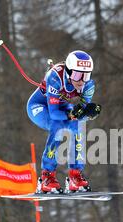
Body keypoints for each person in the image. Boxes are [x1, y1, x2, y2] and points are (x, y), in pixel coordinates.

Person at [26, 50, 101, 193]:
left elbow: (78, 114)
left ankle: (75, 176)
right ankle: (46, 177)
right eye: (77, 75)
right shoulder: (55, 77)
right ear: (68, 71)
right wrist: (73, 114)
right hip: (39, 106)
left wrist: (88, 114)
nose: (81, 81)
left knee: (78, 126)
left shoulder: (88, 85)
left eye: (86, 75)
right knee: (58, 126)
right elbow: (54, 114)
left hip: (61, 107)